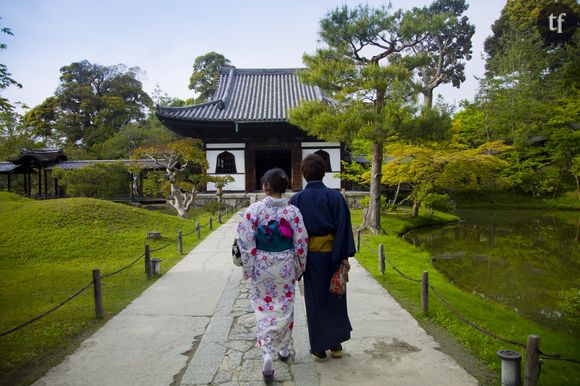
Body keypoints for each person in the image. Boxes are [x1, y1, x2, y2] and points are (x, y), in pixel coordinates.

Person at [236, 168, 308, 383]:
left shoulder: (254, 210)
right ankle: (284, 348)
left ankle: (267, 352)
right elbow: (302, 242)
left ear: (266, 186)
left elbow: (244, 240)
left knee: (262, 306)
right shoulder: (293, 212)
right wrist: (299, 267)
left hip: (262, 264)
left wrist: (249, 266)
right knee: (285, 304)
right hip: (284, 264)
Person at [290, 154, 356, 362]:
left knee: (315, 301)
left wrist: (296, 262)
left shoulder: (296, 199)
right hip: (333, 255)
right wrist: (343, 256)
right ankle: (336, 345)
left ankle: (319, 348)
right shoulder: (335, 197)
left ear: (303, 173)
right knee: (335, 298)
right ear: (324, 172)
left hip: (309, 258)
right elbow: (344, 227)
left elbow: (292, 233)